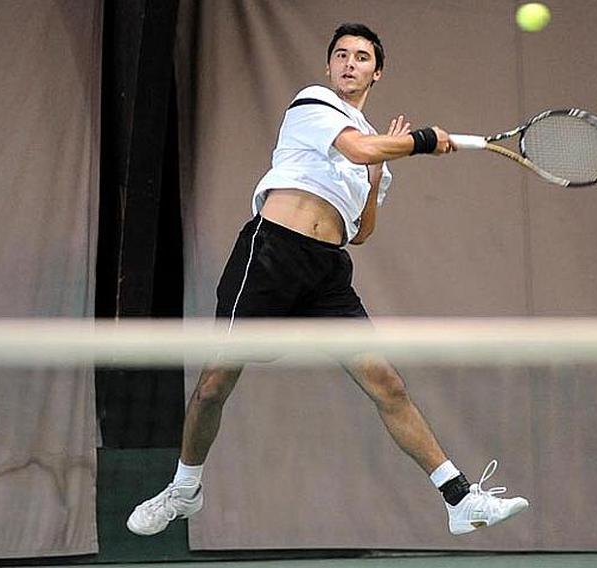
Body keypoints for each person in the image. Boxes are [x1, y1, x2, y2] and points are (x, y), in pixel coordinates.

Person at [127, 22, 528, 538]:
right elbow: (359, 149)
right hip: (271, 252)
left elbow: (360, 231)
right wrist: (421, 141)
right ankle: (185, 488)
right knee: (213, 384)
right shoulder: (314, 103)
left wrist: (383, 171)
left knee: (388, 383)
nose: (349, 63)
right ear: (329, 67)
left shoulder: (374, 155)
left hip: (327, 270)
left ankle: (459, 499)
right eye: (341, 55)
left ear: (376, 72)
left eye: (361, 57)